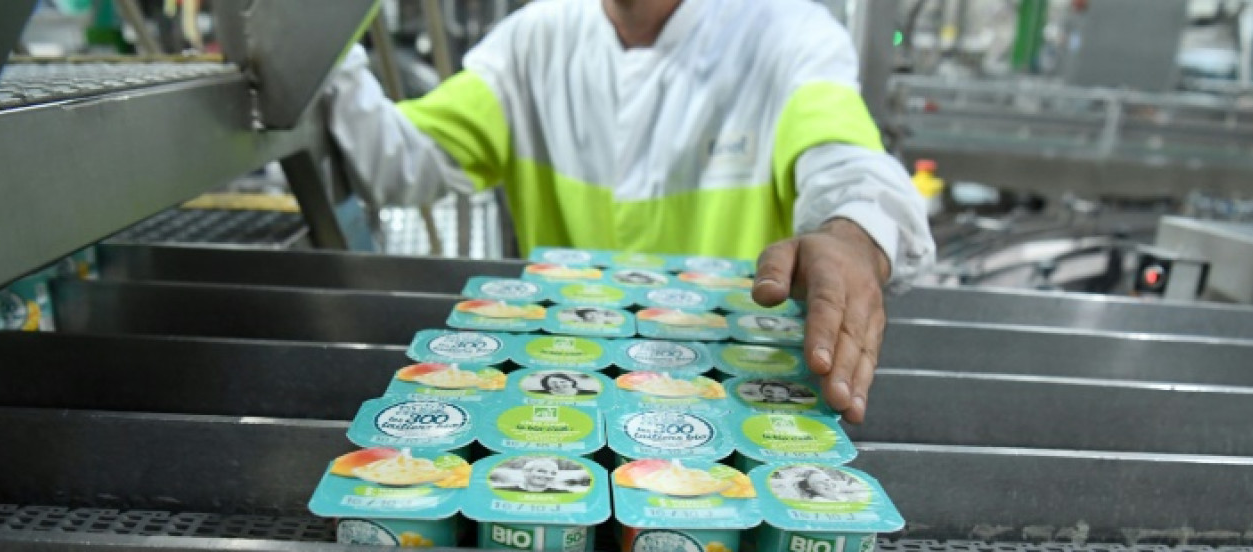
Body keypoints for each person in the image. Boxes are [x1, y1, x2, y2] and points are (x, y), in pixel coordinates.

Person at [327, 0, 935, 423]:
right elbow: (396, 161)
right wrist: (316, 49)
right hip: (560, 395)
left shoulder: (786, 33)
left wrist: (853, 237)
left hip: (733, 402)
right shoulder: (532, 42)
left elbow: (849, 163)